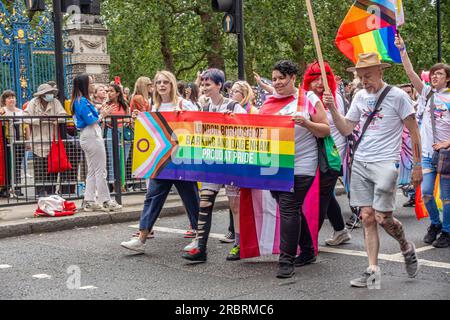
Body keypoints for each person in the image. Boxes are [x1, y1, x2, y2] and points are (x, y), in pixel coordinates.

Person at [324, 52, 422, 288]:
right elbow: (347, 128)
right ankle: (373, 271)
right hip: (360, 162)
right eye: (360, 77)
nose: (364, 81)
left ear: (380, 72)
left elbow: (414, 130)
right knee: (367, 217)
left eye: (368, 76)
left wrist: (418, 165)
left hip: (385, 164)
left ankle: (406, 246)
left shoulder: (398, 96)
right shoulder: (358, 96)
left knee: (382, 217)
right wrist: (333, 110)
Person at [120, 70, 200, 253]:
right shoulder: (154, 106)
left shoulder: (184, 103)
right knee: (152, 196)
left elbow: (198, 124)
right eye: (158, 82)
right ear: (154, 86)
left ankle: (198, 236)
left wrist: (184, 115)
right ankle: (142, 237)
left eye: (166, 82)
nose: (162, 85)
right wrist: (138, 122)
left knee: (191, 198)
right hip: (162, 160)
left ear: (172, 84)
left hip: (182, 159)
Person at [182, 68, 246, 263]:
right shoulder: (204, 107)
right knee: (205, 201)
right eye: (202, 84)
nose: (203, 88)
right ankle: (200, 247)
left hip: (232, 162)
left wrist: (235, 121)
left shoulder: (234, 106)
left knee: (235, 205)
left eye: (208, 84)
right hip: (212, 161)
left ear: (219, 85)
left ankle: (239, 244)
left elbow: (249, 128)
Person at [395, 34, 450, 248]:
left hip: (446, 154)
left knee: (446, 197)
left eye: (439, 74)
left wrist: (447, 143)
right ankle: (435, 224)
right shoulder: (426, 94)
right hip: (427, 155)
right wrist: (402, 50)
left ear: (448, 78)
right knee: (426, 192)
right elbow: (409, 72)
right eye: (433, 74)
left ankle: (447, 231)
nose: (434, 77)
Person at [302, 61, 352, 247]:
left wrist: (331, 107)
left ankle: (309, 240)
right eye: (314, 80)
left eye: (323, 79)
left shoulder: (334, 98)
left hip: (332, 155)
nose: (319, 84)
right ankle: (340, 230)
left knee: (321, 197)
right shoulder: (307, 98)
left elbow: (341, 127)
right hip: (314, 155)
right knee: (327, 195)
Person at [71, 74, 122, 212]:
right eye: (91, 83)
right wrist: (103, 115)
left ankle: (89, 200)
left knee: (93, 170)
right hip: (91, 134)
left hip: (88, 135)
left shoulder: (81, 100)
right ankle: (106, 200)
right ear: (84, 85)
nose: (93, 85)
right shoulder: (82, 101)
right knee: (100, 170)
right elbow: (91, 120)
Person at [23, 83, 67, 197]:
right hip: (38, 138)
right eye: (48, 93)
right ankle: (40, 191)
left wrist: (55, 119)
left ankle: (51, 190)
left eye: (51, 93)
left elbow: (63, 115)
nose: (50, 95)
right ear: (42, 95)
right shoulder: (33, 103)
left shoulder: (55, 102)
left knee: (53, 166)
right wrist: (39, 120)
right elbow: (25, 117)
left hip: (52, 139)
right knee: (39, 167)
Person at [0, 90, 30, 197]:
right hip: (6, 142)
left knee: (17, 165)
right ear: (4, 100)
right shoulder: (2, 111)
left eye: (13, 97)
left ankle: (17, 187)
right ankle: (5, 188)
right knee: (7, 165)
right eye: (8, 98)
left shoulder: (21, 112)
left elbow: (26, 127)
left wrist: (27, 141)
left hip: (19, 141)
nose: (11, 99)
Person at [104, 84, 131, 190]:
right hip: (112, 131)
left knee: (123, 158)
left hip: (124, 132)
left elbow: (128, 119)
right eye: (107, 91)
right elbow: (107, 120)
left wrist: (122, 120)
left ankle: (122, 183)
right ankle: (114, 184)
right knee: (112, 158)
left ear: (117, 93)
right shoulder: (106, 105)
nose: (109, 93)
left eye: (111, 91)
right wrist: (121, 120)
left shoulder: (124, 105)